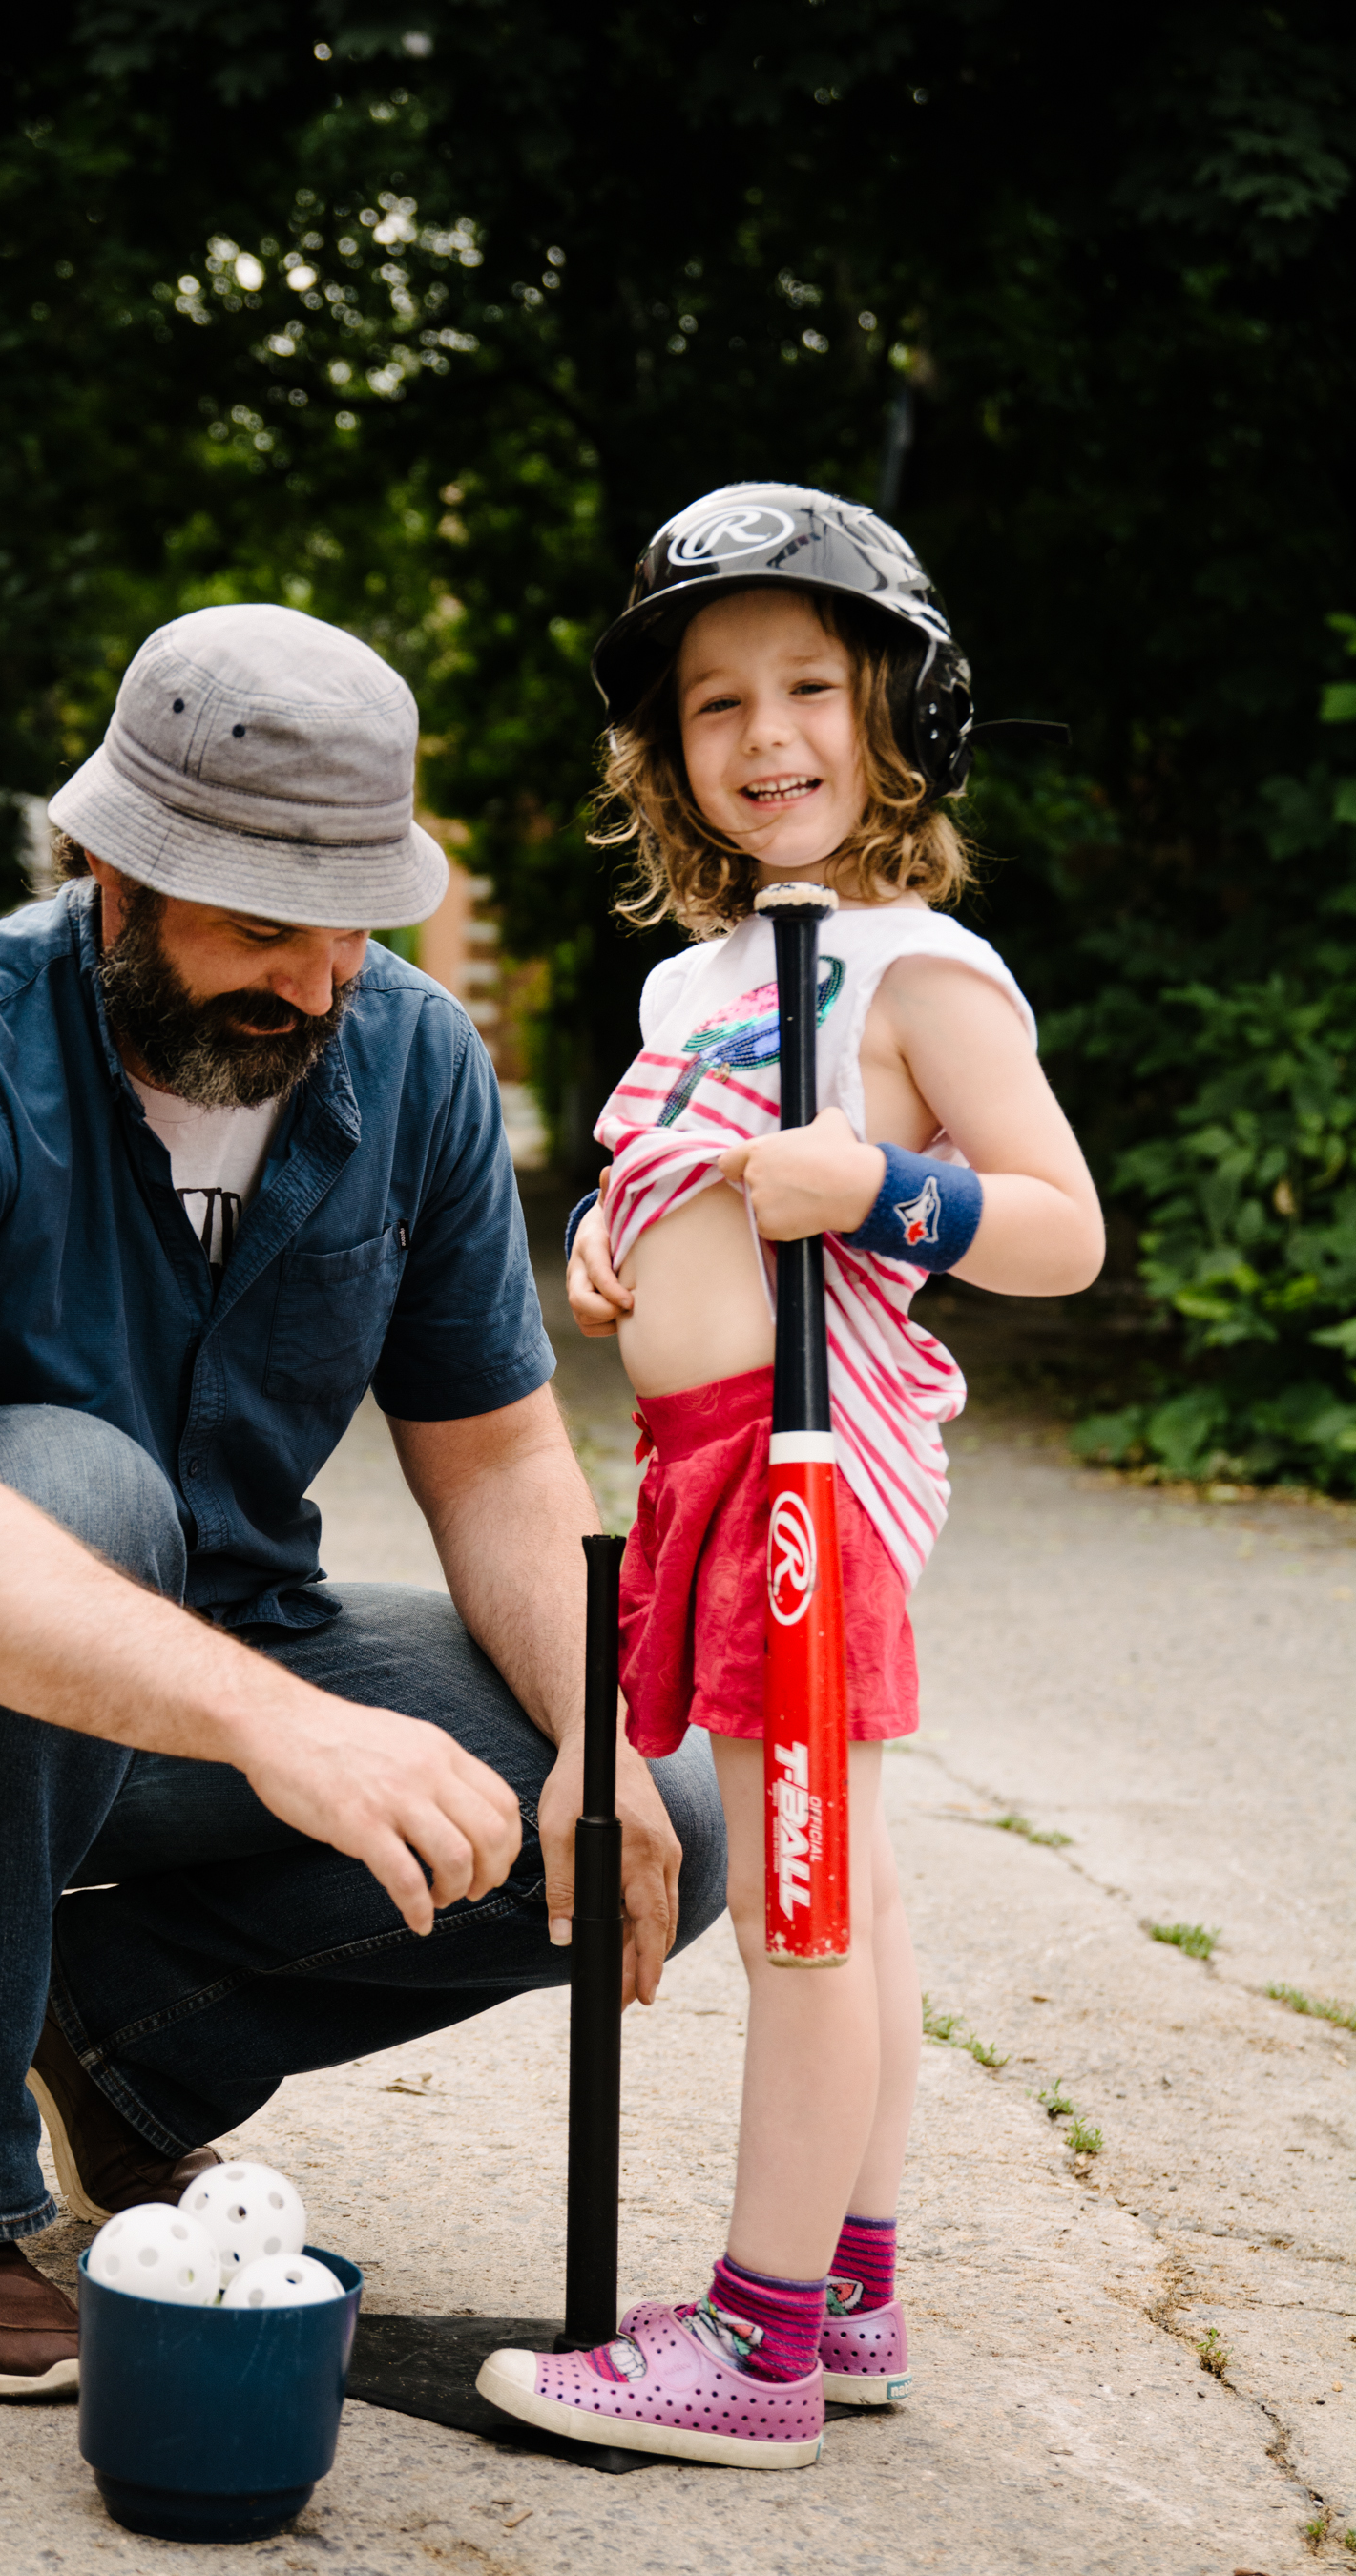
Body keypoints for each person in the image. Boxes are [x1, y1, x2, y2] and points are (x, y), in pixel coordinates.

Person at [0, 602, 726, 2399]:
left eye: (348, 936)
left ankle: (111, 2046)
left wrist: (590, 1728)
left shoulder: (414, 1066)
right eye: (256, 927)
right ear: (105, 871)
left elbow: (504, 1459)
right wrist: (285, 1729)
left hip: (189, 1641)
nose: (308, 986)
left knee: (645, 1790)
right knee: (72, 1480)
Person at [479, 486, 1103, 2467]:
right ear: (666, 751)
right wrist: (610, 1239)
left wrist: (884, 1185)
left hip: (809, 1471)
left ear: (900, 708)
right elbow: (684, 1179)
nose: (765, 738)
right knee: (869, 1892)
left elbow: (1059, 1228)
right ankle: (850, 2287)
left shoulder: (922, 973)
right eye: (716, 702)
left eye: (812, 689)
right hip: (696, 1461)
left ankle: (749, 2347)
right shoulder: (700, 981)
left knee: (805, 1895)